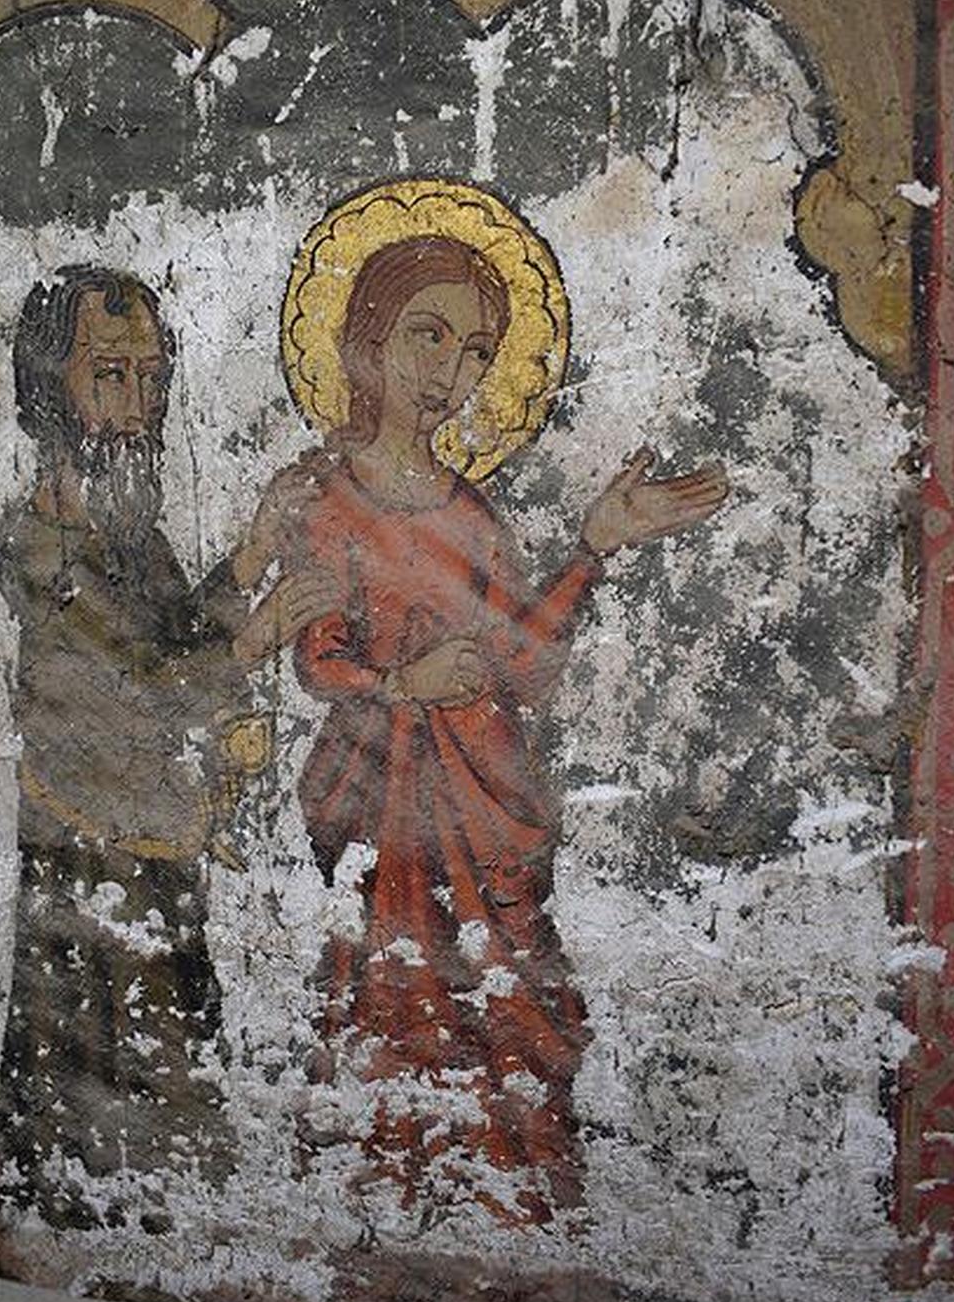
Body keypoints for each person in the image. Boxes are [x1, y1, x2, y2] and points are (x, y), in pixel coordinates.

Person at [291, 234, 727, 1224]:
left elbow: (524, 663)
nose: (451, 370)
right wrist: (403, 682)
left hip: (487, 814)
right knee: (395, 1014)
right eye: (428, 336)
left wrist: (593, 549)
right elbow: (318, 658)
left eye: (476, 350)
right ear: (367, 338)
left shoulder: (474, 514)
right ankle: (391, 1221)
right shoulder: (330, 502)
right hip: (389, 817)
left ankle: (509, 1219)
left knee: (509, 1024)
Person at [0, 264, 334, 1215]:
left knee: (171, 1062)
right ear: (46, 387)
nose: (138, 404)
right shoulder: (41, 544)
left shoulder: (127, 532)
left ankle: (163, 1233)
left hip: (149, 842)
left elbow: (175, 629)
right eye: (110, 376)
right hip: (84, 857)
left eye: (150, 378)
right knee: (97, 1089)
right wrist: (260, 632)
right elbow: (148, 686)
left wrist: (255, 549)